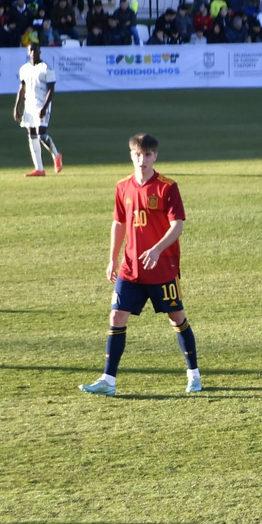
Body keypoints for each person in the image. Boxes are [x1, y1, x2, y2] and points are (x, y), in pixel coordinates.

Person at [81, 134, 201, 396]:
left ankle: (194, 374)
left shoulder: (167, 187)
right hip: (131, 268)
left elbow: (177, 225)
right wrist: (113, 257)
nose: (142, 159)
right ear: (131, 155)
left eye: (147, 155)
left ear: (155, 156)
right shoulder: (122, 186)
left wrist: (158, 249)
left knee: (176, 317)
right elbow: (119, 222)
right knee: (116, 316)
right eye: (137, 154)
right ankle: (108, 381)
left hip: (162, 269)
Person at [13, 42, 62, 177]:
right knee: (31, 135)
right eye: (31, 51)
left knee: (41, 134)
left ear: (40, 51)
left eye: (35, 50)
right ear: (28, 53)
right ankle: (39, 169)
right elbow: (22, 89)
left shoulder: (46, 68)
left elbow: (51, 90)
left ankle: (56, 155)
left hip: (41, 105)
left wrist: (45, 107)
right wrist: (17, 107)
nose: (33, 53)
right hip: (29, 106)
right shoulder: (24, 69)